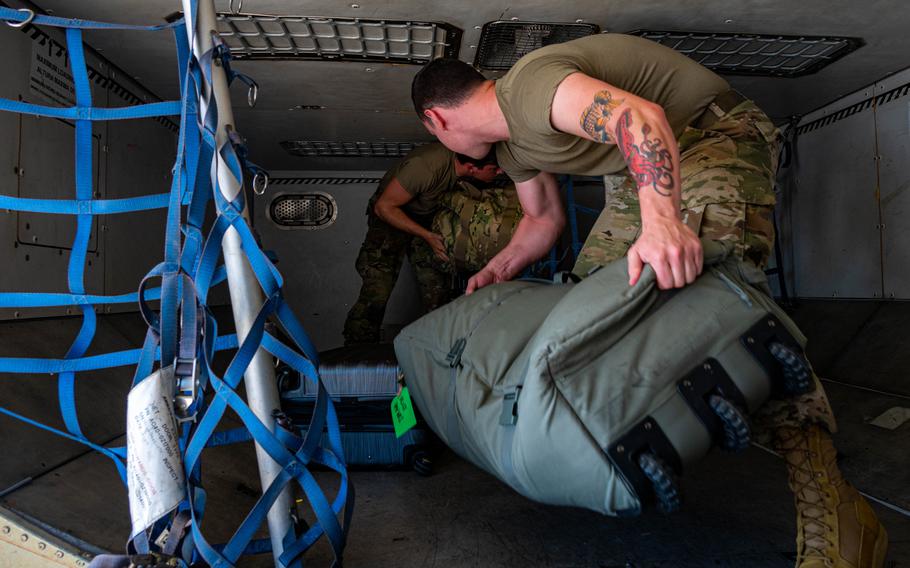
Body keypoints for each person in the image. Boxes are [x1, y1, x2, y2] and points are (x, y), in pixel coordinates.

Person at [410, 33, 887, 567]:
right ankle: (642, 433)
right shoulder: (513, 146)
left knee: (718, 306)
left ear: (437, 120)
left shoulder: (526, 88)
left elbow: (638, 118)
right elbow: (542, 220)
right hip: (633, 174)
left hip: (710, 140)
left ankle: (833, 510)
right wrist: (497, 270)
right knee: (594, 319)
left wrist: (662, 224)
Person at [342, 142, 502, 346]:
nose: (499, 171)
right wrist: (427, 236)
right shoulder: (426, 167)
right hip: (391, 215)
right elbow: (384, 207)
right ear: (472, 168)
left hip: (426, 217)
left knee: (436, 289)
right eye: (494, 169)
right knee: (378, 287)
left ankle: (439, 345)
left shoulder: (465, 169)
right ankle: (357, 349)